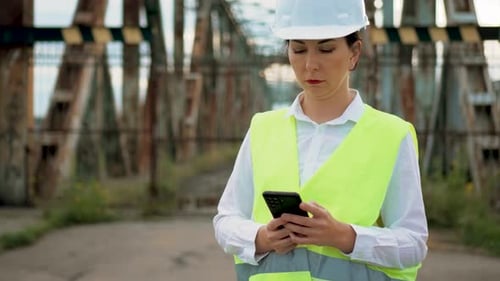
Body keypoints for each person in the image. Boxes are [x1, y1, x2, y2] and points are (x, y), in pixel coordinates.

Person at [213, 0, 428, 280]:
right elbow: (225, 220)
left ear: (354, 53)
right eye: (298, 49)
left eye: (326, 49)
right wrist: (262, 238)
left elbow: (414, 244)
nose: (310, 65)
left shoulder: (391, 135)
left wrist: (346, 237)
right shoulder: (262, 128)